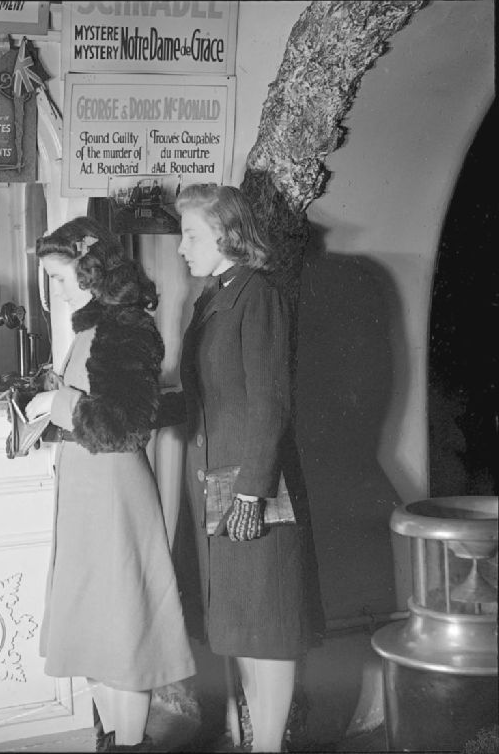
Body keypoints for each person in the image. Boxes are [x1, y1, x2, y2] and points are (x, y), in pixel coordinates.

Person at [25, 217, 195, 752]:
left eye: (59, 278)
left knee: (124, 635)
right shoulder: (91, 329)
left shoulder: (126, 327)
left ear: (90, 268)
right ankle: (116, 740)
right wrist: (53, 399)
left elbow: (124, 426)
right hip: (87, 493)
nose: (56, 291)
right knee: (92, 633)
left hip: (115, 495)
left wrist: (57, 403)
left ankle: (129, 743)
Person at [168, 183, 322, 752]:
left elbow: (271, 404)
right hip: (217, 481)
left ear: (226, 234)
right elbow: (202, 396)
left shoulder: (259, 295)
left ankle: (268, 746)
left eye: (191, 235)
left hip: (252, 485)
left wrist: (253, 493)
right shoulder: (215, 296)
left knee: (268, 630)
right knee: (241, 628)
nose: (182, 247)